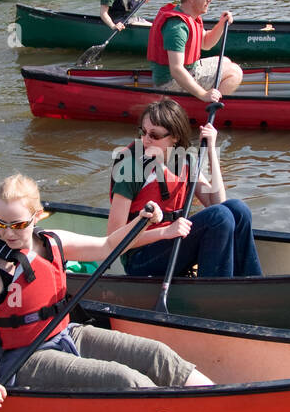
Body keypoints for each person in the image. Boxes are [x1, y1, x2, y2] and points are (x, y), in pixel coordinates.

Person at [0, 173, 214, 408]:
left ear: (37, 216)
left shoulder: (53, 242)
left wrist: (151, 227)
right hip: (22, 359)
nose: (9, 233)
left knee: (158, 355)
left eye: (18, 225)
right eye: (1, 223)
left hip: (65, 334)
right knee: (126, 381)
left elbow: (108, 245)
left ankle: (215, 402)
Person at [107, 98, 261, 279]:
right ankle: (214, 294)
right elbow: (113, 239)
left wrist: (211, 150)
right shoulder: (131, 169)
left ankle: (251, 281)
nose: (146, 140)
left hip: (173, 244)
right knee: (219, 217)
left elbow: (217, 202)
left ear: (174, 137)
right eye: (143, 132)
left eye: (155, 135)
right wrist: (165, 232)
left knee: (237, 209)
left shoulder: (184, 160)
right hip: (141, 257)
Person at [146, 0, 244, 101]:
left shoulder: (190, 16)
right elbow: (176, 70)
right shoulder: (177, 27)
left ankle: (211, 97)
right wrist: (203, 95)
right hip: (169, 84)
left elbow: (206, 43)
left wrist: (221, 24)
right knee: (235, 72)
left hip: (187, 71)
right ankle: (210, 105)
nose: (210, 0)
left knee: (224, 60)